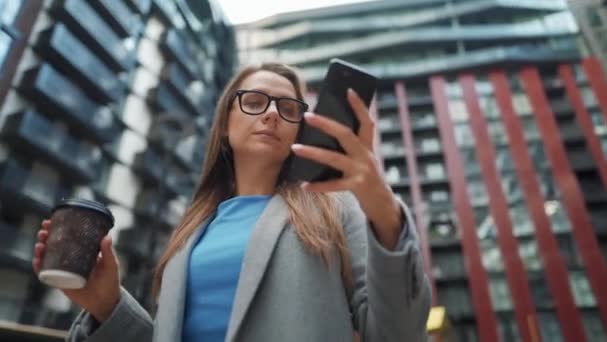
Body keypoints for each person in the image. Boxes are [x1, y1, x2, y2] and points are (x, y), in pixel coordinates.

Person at [32, 63, 431, 341]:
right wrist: (109, 306)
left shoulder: (334, 207)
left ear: (300, 129)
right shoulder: (190, 233)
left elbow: (398, 333)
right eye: (255, 102)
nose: (272, 114)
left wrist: (380, 203)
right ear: (225, 124)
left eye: (288, 108)